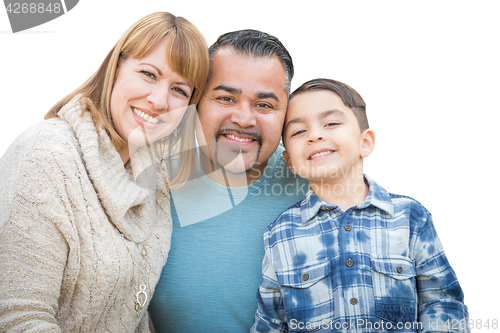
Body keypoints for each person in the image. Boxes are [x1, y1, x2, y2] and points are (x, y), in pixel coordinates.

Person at [0, 12, 208, 332]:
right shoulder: (47, 157)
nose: (159, 100)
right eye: (148, 73)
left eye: (180, 90)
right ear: (115, 67)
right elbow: (17, 319)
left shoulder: (153, 171)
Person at [251, 78, 470, 332]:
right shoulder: (281, 234)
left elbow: (443, 303)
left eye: (331, 123)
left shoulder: (411, 218)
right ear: (289, 161)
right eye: (299, 131)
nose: (315, 135)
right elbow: (270, 322)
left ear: (365, 142)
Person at [149, 30, 309, 332]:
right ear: (197, 102)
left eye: (264, 105)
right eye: (226, 98)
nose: (244, 118)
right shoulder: (153, 180)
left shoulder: (316, 186)